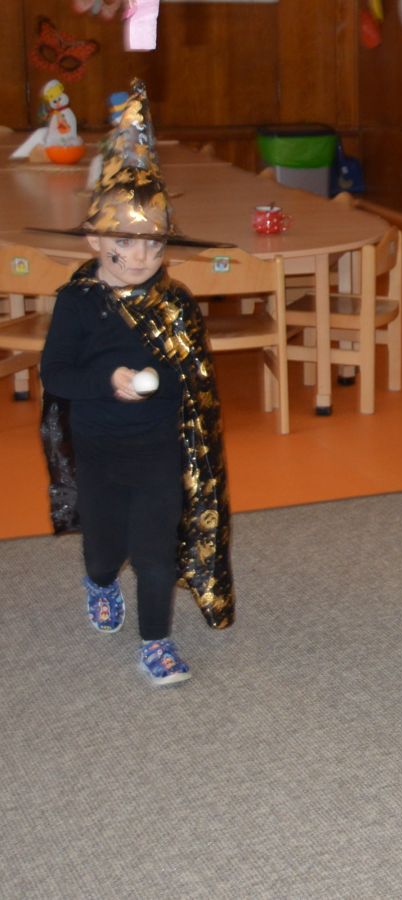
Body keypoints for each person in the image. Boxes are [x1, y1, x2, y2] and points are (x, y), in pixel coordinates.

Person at [37, 81, 233, 686]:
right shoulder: (78, 301)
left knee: (153, 552)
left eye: (152, 242)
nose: (141, 256)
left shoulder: (176, 305)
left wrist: (159, 385)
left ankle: (156, 642)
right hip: (99, 448)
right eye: (124, 242)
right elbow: (54, 374)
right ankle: (98, 582)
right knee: (105, 547)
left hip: (157, 450)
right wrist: (109, 379)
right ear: (96, 239)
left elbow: (193, 383)